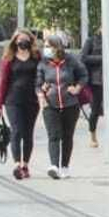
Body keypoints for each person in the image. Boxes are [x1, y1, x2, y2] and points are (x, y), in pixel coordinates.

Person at [38, 33, 89, 179]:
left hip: (70, 104)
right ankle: (54, 165)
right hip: (50, 104)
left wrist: (77, 88)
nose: (46, 49)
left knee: (67, 136)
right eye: (45, 46)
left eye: (49, 46)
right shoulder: (43, 63)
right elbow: (38, 82)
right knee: (54, 135)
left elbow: (83, 75)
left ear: (57, 47)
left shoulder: (70, 60)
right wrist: (42, 91)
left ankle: (65, 166)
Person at [0, 31, 41, 180]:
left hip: (31, 101)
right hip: (13, 100)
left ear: (31, 41)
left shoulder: (36, 57)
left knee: (28, 133)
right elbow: (3, 82)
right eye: (20, 39)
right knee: (16, 131)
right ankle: (17, 164)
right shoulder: (9, 59)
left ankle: (25, 165)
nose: (23, 42)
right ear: (15, 41)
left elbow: (42, 75)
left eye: (26, 39)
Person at [82, 26, 107, 148]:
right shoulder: (91, 41)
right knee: (96, 109)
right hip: (97, 79)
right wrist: (104, 58)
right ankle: (93, 136)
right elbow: (84, 57)